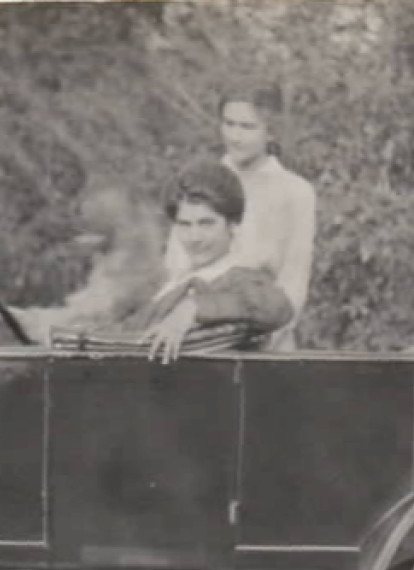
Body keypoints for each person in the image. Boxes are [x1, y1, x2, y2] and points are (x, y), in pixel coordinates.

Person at [165, 83, 317, 346]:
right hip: (195, 331)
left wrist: (263, 343)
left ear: (271, 131)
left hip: (264, 335)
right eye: (229, 124)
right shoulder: (201, 181)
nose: (235, 137)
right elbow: (176, 267)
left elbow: (294, 283)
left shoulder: (295, 192)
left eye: (248, 127)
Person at [126, 160, 294, 362]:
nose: (194, 237)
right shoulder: (177, 282)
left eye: (206, 224)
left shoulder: (239, 276)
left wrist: (194, 308)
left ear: (232, 225)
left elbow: (277, 306)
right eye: (185, 224)